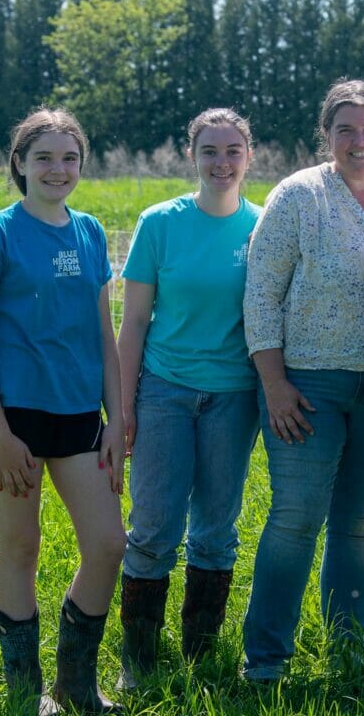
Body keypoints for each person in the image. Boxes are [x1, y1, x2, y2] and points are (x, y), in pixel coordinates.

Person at [240, 79, 364, 683]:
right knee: (296, 515)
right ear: (325, 137)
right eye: (345, 129)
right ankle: (266, 659)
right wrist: (273, 384)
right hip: (308, 385)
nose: (359, 140)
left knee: (357, 523)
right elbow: (262, 292)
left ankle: (347, 653)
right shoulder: (300, 196)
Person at [0, 107, 126, 715]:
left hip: (80, 416)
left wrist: (117, 423)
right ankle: (27, 696)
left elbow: (103, 336)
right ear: (20, 165)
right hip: (15, 419)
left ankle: (76, 685)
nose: (59, 169)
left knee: (108, 544)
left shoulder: (91, 233)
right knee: (21, 547)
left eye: (70, 157)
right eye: (45, 158)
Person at [115, 109, 262, 687]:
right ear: (191, 156)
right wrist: (123, 409)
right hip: (164, 392)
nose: (221, 162)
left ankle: (202, 655)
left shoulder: (265, 225)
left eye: (232, 151)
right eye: (209, 151)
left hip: (234, 396)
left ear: (249, 156)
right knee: (153, 525)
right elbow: (132, 325)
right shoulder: (159, 224)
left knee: (216, 529)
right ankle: (139, 659)